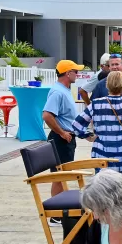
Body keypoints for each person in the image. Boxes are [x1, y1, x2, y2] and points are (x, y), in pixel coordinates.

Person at [43, 60, 84, 209]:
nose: (78, 74)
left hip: (66, 138)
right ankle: (56, 213)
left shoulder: (64, 90)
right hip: (60, 139)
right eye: (76, 71)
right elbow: (47, 115)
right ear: (68, 73)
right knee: (59, 176)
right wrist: (61, 133)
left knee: (62, 176)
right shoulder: (58, 92)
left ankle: (59, 209)